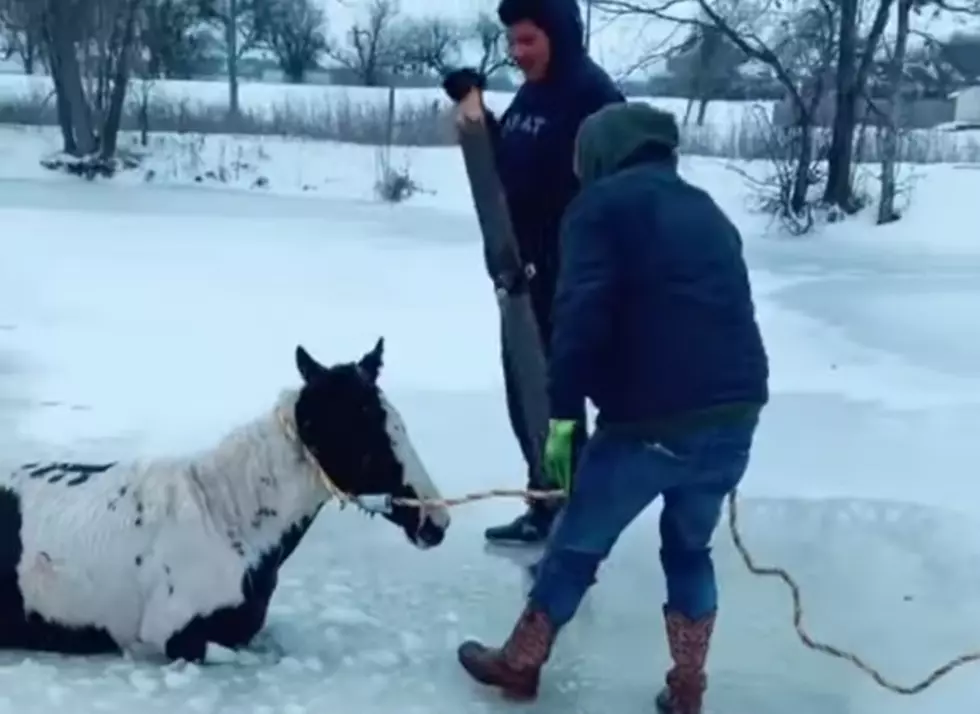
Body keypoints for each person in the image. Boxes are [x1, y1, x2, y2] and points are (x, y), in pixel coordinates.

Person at [455, 102, 770, 714]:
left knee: (575, 543)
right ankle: (687, 688)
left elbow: (576, 327)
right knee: (689, 549)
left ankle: (519, 663)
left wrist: (561, 439)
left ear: (600, 154)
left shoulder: (598, 209)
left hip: (649, 425)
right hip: (736, 418)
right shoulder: (706, 209)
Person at [441, 0, 624, 546]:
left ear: (559, 37)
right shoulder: (534, 94)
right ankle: (548, 500)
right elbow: (512, 167)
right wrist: (479, 119)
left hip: (567, 280)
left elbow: (614, 192)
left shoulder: (593, 98)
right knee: (527, 396)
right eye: (512, 43)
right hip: (521, 278)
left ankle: (567, 507)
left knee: (557, 406)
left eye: (528, 42)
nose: (517, 55)